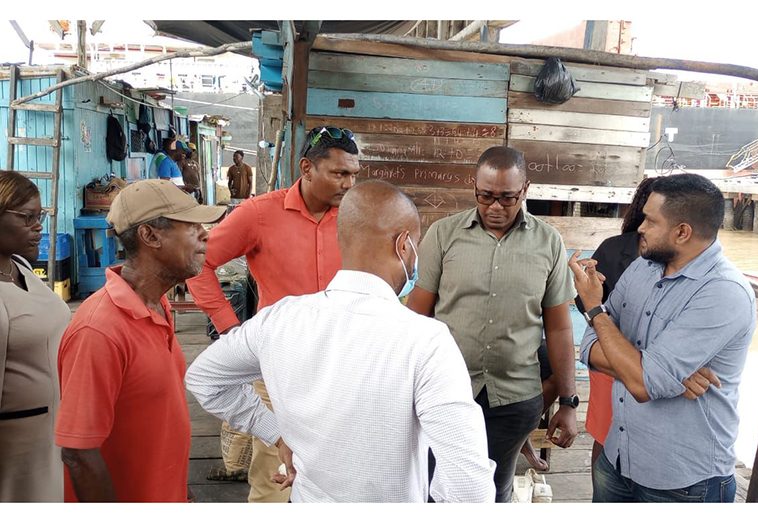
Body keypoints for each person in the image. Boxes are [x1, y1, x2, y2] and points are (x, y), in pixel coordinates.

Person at [186, 180, 496, 502]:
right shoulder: (426, 342)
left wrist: (276, 433)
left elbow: (204, 378)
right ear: (404, 246)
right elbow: (468, 483)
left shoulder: (277, 320)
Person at [186, 126, 359, 502]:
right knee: (274, 476)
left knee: (338, 472)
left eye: (353, 175)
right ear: (307, 168)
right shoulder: (259, 214)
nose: (349, 184)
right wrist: (230, 328)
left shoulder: (356, 217)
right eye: (340, 173)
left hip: (343, 367)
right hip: (278, 367)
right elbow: (199, 263)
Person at [569, 173, 756, 503]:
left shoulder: (723, 293)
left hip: (682, 481)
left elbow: (641, 383)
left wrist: (595, 310)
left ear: (682, 232)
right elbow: (588, 346)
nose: (640, 227)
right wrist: (659, 374)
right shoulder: (645, 267)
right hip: (618, 456)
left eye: (650, 221)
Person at [407, 145, 579, 503]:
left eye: (507, 198)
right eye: (485, 196)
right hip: (445, 392)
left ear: (525, 190)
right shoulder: (443, 234)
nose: (496, 207)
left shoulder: (548, 242)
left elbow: (560, 328)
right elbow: (417, 314)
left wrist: (568, 401)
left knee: (494, 490)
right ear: (474, 188)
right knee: (434, 485)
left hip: (515, 399)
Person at [55, 180, 225, 502]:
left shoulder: (158, 306)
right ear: (149, 236)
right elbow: (78, 453)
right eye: (192, 226)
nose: (205, 235)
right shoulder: (99, 331)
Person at [0, 171, 71, 502]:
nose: (37, 226)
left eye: (39, 216)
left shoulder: (18, 267)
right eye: (27, 217)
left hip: (46, 435)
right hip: (15, 449)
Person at [575, 177, 656, 465]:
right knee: (605, 434)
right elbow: (585, 305)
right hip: (610, 360)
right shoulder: (613, 249)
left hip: (657, 368)